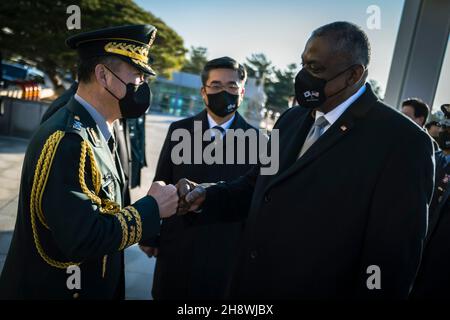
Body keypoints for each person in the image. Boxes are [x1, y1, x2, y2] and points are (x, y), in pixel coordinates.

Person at [177, 21, 434, 299]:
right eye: (303, 64)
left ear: (353, 75)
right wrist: (208, 196)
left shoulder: (403, 142)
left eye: (315, 69)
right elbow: (257, 186)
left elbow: (390, 261)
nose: (302, 77)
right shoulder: (291, 118)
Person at [0, 25, 179, 300]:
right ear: (103, 75)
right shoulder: (69, 140)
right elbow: (82, 238)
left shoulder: (96, 131)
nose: (142, 86)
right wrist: (152, 208)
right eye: (137, 76)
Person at [140, 57, 261, 299]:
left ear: (242, 91)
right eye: (216, 86)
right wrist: (149, 232)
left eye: (231, 86)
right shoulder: (179, 130)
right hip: (179, 244)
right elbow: (161, 181)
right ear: (203, 92)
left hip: (227, 249)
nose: (223, 92)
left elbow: (258, 200)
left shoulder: (261, 141)